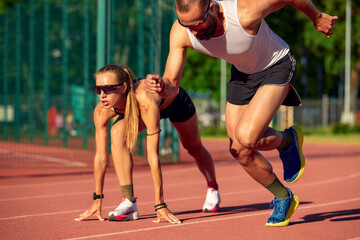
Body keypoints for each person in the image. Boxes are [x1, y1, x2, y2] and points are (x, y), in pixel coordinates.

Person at [144, 0, 337, 226]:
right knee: (238, 149)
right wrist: (162, 87)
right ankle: (284, 193)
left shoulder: (244, 12)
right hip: (243, 75)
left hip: (276, 64)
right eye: (188, 26)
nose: (195, 31)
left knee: (246, 137)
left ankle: (287, 141)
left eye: (199, 24)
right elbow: (173, 83)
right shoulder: (181, 32)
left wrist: (315, 16)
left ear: (213, 8)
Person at [75, 64, 220, 223]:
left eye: (108, 89)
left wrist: (160, 204)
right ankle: (128, 201)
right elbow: (101, 157)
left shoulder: (145, 99)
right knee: (117, 133)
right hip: (136, 110)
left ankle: (212, 186)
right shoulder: (101, 111)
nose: (102, 95)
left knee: (193, 147)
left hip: (174, 103)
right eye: (98, 89)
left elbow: (153, 156)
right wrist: (97, 199)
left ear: (123, 88)